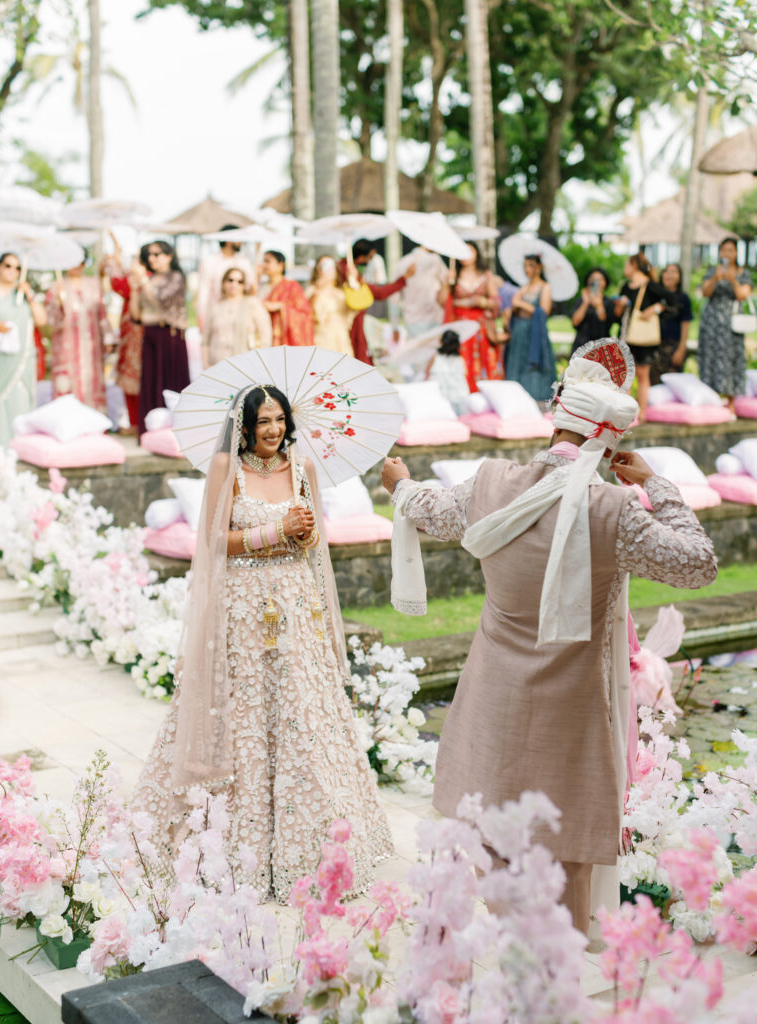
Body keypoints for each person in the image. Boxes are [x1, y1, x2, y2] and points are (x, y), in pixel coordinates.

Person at [381, 338, 717, 935]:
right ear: (609, 440)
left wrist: (400, 485)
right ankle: (553, 958)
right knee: (561, 848)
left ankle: (509, 937)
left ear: (556, 417)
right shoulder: (616, 510)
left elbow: (430, 509)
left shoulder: (491, 484)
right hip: (572, 708)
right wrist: (658, 485)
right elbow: (699, 563)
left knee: (494, 831)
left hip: (493, 697)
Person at [133, 383, 394, 902]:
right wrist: (274, 531)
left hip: (294, 606)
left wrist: (305, 530)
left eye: (279, 420)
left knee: (302, 712)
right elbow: (211, 540)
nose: (273, 430)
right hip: (244, 610)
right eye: (262, 422)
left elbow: (313, 544)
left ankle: (315, 838)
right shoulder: (225, 469)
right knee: (244, 712)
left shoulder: (303, 469)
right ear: (244, 426)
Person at [129, 240, 190, 436]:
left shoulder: (176, 277)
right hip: (150, 335)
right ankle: (151, 432)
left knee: (171, 384)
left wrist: (143, 280)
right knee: (151, 383)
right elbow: (136, 315)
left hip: (169, 335)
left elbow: (160, 300)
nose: (152, 259)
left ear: (169, 256)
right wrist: (134, 288)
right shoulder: (149, 279)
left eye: (157, 254)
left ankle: (176, 433)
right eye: (149, 255)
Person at [0, 252, 47, 445]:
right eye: (8, 265)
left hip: (21, 360)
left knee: (18, 400)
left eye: (17, 268)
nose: (13, 271)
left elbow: (42, 320)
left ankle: (18, 448)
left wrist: (30, 295)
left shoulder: (22, 293)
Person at [45, 260, 110, 412]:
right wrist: (58, 302)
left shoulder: (94, 285)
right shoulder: (56, 287)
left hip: (91, 346)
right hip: (66, 347)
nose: (76, 266)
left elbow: (102, 314)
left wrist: (107, 339)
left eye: (80, 262)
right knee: (67, 383)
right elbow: (52, 322)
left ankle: (94, 420)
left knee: (91, 381)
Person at [618, 252, 677, 422]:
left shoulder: (650, 286)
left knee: (642, 373)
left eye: (627, 264)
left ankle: (642, 413)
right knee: (626, 374)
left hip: (644, 338)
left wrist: (655, 308)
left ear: (634, 265)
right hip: (627, 334)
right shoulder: (626, 286)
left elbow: (672, 300)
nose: (625, 268)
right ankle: (625, 413)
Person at [698, 237, 753, 414]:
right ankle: (711, 401)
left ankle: (731, 404)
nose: (727, 254)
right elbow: (705, 292)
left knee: (731, 358)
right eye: (723, 250)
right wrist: (716, 277)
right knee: (710, 357)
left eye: (730, 250)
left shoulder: (743, 273)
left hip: (732, 324)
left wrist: (733, 280)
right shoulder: (712, 270)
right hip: (712, 322)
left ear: (736, 253)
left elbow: (742, 295)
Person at [439, 241, 501, 392]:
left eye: (470, 251)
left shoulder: (486, 275)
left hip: (480, 327)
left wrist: (482, 302)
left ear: (476, 253)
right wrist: (447, 283)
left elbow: (496, 301)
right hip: (460, 326)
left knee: (483, 359)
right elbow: (442, 301)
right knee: (462, 360)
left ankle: (484, 393)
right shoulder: (453, 275)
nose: (466, 255)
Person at [337, 239, 413, 364]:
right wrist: (403, 280)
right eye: (370, 257)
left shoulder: (349, 270)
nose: (370, 261)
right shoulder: (345, 271)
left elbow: (378, 293)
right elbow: (378, 293)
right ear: (361, 257)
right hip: (348, 324)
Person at [101, 237, 147, 432]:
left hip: (142, 336)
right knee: (129, 378)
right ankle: (135, 421)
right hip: (130, 336)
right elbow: (119, 284)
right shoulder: (135, 278)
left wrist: (114, 263)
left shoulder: (145, 279)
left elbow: (119, 285)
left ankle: (140, 423)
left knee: (140, 379)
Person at [505, 254, 556, 402]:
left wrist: (521, 304)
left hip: (534, 332)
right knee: (517, 362)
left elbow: (544, 311)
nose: (527, 269)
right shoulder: (523, 287)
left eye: (530, 265)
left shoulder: (545, 287)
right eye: (525, 266)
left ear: (539, 267)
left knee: (533, 366)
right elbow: (515, 309)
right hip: (519, 330)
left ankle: (535, 397)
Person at [202, 267, 272, 368]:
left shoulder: (252, 304)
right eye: (230, 280)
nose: (234, 284)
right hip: (217, 365)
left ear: (244, 285)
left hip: (245, 365)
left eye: (240, 281)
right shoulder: (215, 307)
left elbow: (265, 335)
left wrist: (260, 361)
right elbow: (205, 340)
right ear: (223, 282)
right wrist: (206, 365)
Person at [196, 224, 255, 333]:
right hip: (217, 314)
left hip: (241, 314)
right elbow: (204, 291)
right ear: (228, 240)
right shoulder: (209, 262)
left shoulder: (244, 262)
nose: (241, 242)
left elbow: (250, 288)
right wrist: (202, 317)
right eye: (239, 239)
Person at [259, 250, 314, 348]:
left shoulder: (292, 286)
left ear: (281, 266)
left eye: (268, 262)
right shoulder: (260, 287)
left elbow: (304, 313)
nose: (264, 265)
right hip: (263, 338)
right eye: (263, 261)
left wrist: (281, 307)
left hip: (283, 341)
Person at [391, 246, 449, 338]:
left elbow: (394, 298)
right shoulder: (435, 260)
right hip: (434, 317)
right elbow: (447, 281)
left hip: (411, 318)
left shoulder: (402, 263)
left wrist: (394, 325)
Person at [305, 256, 354, 356]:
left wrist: (353, 279)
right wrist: (317, 291)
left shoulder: (342, 292)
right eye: (324, 266)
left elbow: (355, 307)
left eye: (331, 266)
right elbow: (305, 312)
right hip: (321, 340)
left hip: (341, 341)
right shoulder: (312, 290)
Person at [653, 263, 693, 385]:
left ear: (679, 277)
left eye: (674, 271)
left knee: (673, 383)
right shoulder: (654, 296)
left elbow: (685, 324)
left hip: (674, 346)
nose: (669, 274)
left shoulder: (683, 298)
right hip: (654, 346)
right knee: (654, 384)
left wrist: (681, 349)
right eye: (666, 271)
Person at [570, 267, 621, 358]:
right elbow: (575, 322)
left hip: (602, 348)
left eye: (600, 279)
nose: (596, 282)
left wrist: (599, 306)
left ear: (605, 283)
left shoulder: (609, 303)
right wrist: (585, 303)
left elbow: (606, 325)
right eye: (593, 279)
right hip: (581, 346)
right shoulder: (580, 301)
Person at [426, 328, 471, 415]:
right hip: (459, 396)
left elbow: (427, 372)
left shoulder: (436, 357)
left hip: (439, 395)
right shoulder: (459, 359)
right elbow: (465, 373)